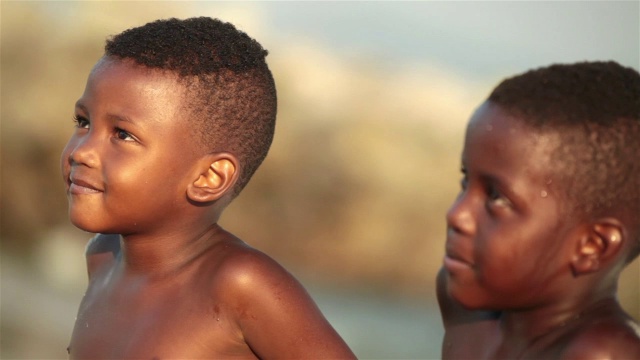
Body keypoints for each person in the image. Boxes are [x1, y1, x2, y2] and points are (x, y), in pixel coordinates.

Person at [61, 17, 356, 359]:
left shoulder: (241, 285)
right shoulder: (102, 258)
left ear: (209, 177)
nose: (82, 152)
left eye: (123, 135)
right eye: (83, 122)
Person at [437, 61, 640, 359]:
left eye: (497, 198)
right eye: (466, 180)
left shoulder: (603, 353)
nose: (457, 215)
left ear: (591, 246)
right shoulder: (468, 314)